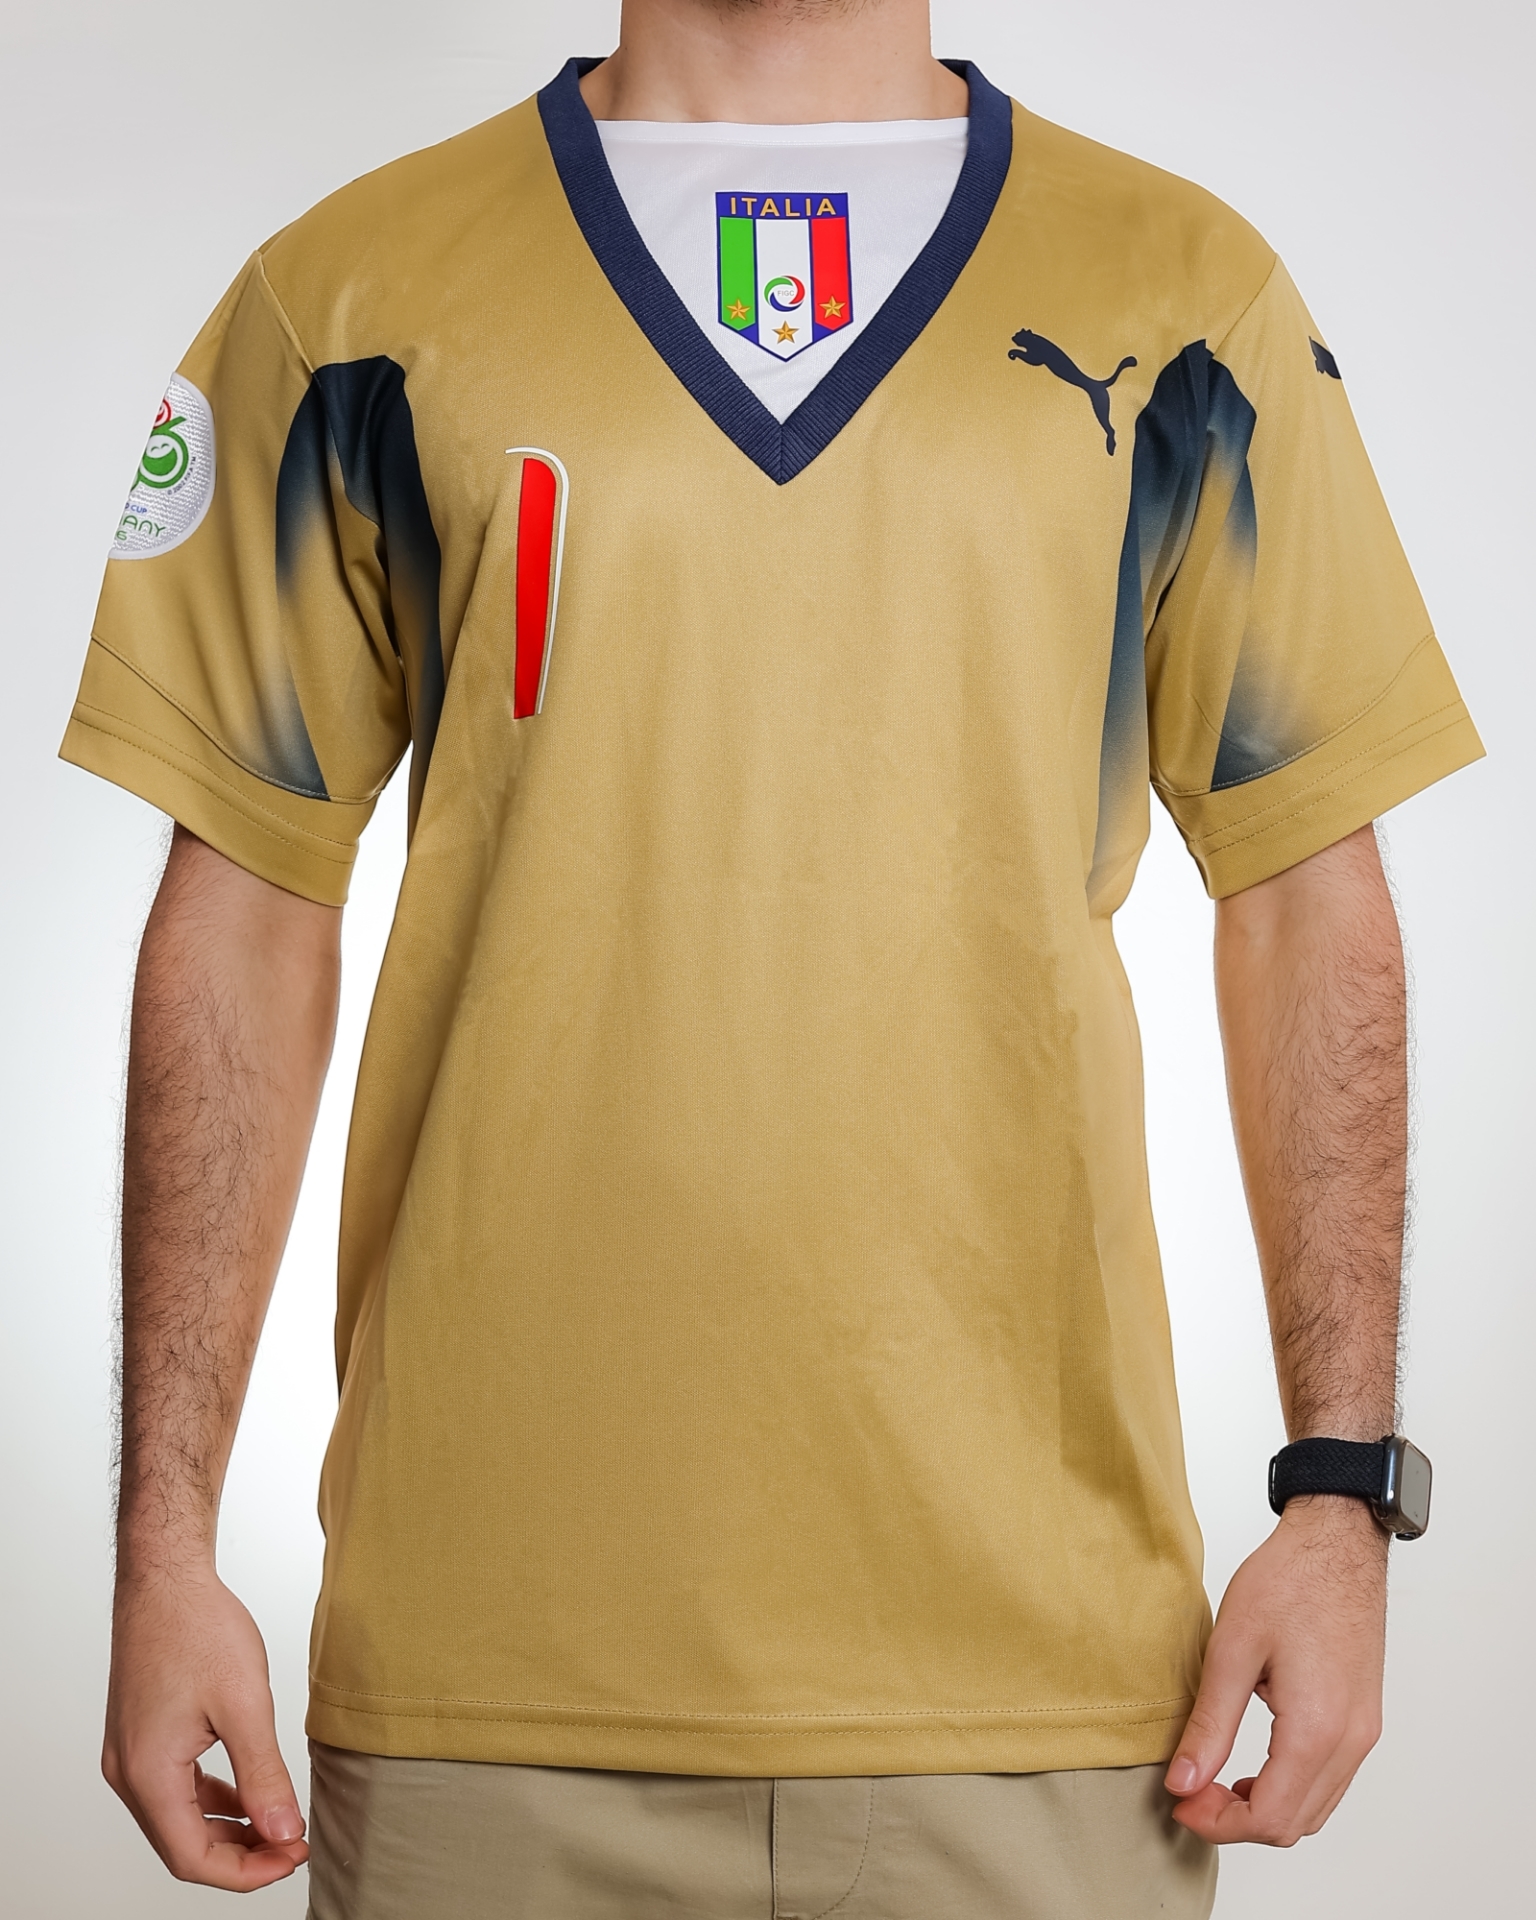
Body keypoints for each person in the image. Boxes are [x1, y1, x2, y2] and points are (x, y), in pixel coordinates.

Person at [64, 1, 1482, 1913]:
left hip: (1046, 1691)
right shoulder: (343, 303)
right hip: (489, 1686)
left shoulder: (1183, 299)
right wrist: (164, 1547)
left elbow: (1308, 893)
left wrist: (1343, 1498)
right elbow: (245, 907)